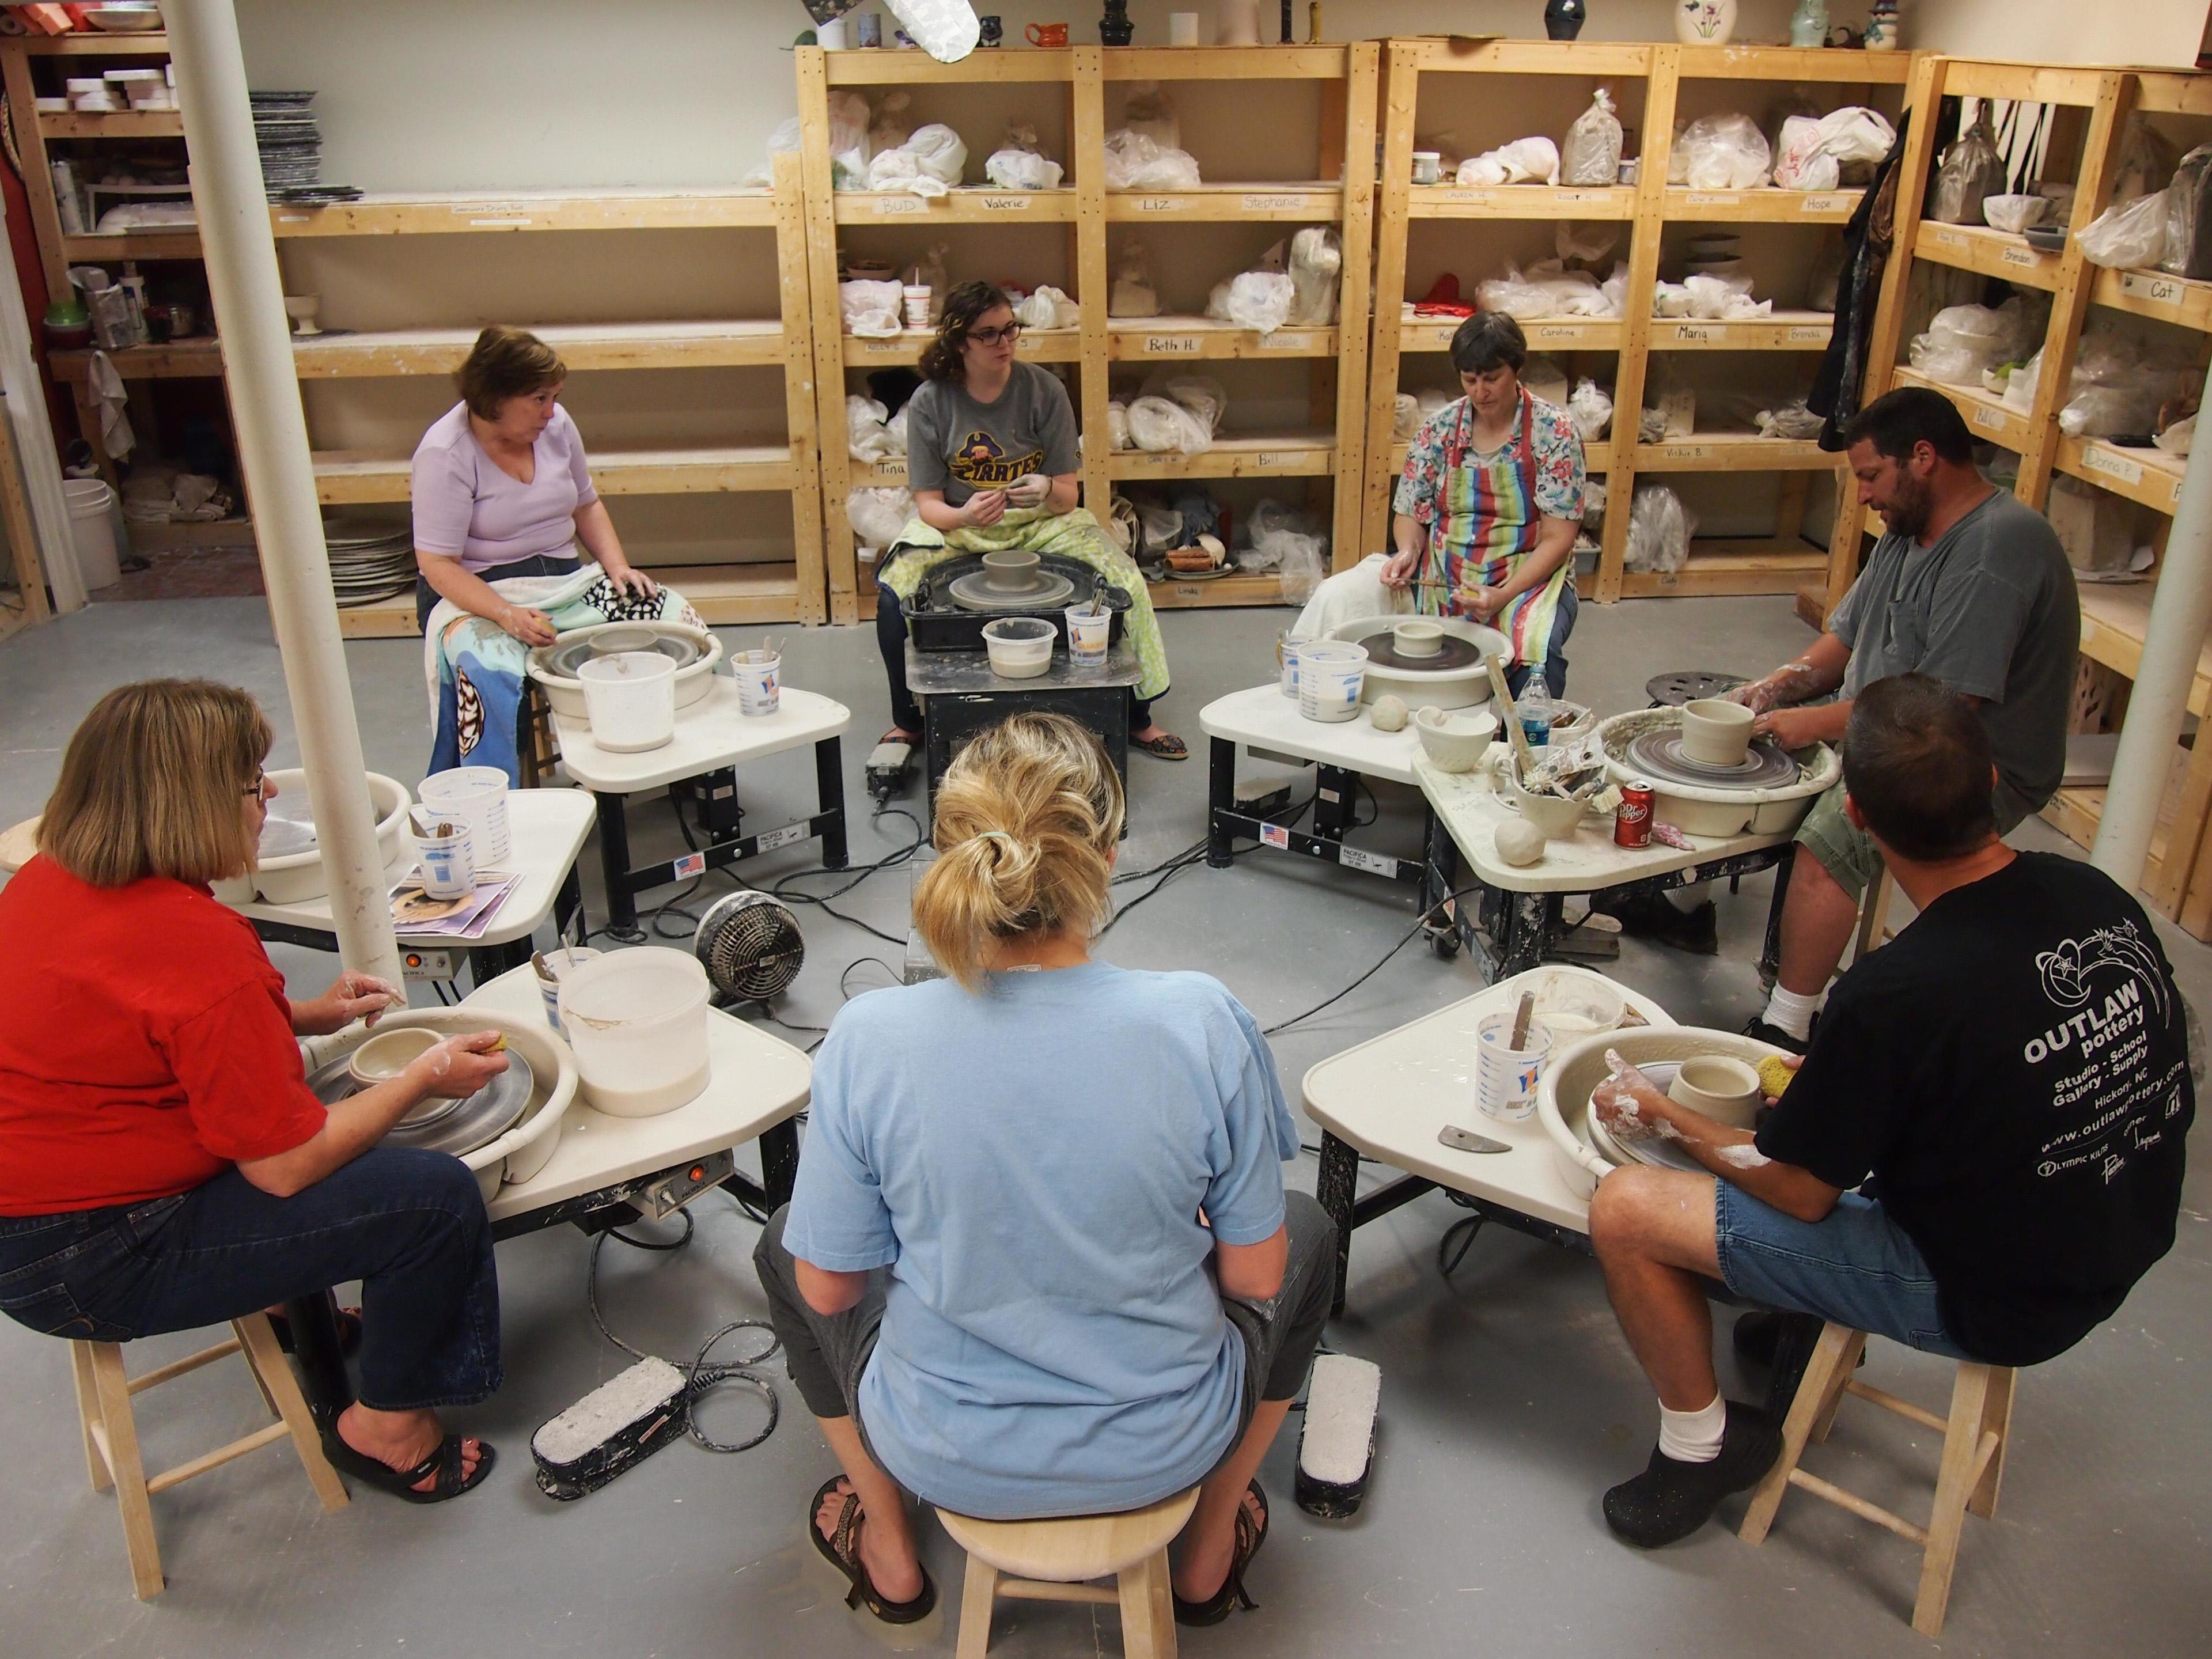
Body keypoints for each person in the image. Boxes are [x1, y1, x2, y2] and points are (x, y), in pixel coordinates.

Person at [1586, 675, 2191, 1548]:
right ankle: (1790, 1317)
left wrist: (1664, 1115)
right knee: (1831, 1112)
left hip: (1996, 1295)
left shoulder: (1895, 993)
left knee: (1627, 1210)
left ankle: (1700, 1448)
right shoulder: (2092, 895)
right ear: (1990, 784)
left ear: (1858, 820)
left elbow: (1800, 1192)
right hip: (2119, 1231)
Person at [754, 713, 1332, 1626]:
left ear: (948, 855)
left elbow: (829, 1291)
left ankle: (891, 1549)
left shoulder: (871, 1038)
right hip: (1168, 1443)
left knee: (786, 1244)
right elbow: (1255, 1274)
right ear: (1106, 854)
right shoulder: (1201, 1020)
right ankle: (1211, 1542)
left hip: (943, 1449)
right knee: (1310, 1232)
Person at [0, 681, 512, 1502]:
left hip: (33, 1213)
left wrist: (297, 1013)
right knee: (434, 1201)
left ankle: (285, 1302)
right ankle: (385, 1430)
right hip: (91, 1259)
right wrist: (424, 1079)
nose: (268, 794)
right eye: (252, 782)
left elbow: (138, 1026)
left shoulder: (48, 880)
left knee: (293, 1115)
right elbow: (284, 1168)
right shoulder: (200, 944)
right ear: (189, 804)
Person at [1609, 385, 2078, 986]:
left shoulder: (1995, 549)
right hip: (1889, 720)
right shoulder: (1910, 528)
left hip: (1966, 758)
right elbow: (1844, 640)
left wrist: (1811, 726)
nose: (1864, 494)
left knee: (1831, 837)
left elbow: (1948, 706)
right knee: (1729, 761)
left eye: (1872, 476)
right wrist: (1775, 687)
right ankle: (1681, 911)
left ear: (1924, 458)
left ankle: (1790, 1022)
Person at [874, 282, 1185, 762]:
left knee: (1124, 580)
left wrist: (1045, 488)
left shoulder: (1044, 389)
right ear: (960, 342)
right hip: (961, 525)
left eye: (1010, 330)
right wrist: (964, 513)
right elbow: (928, 506)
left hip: (1041, 520)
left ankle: (1135, 715)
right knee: (894, 596)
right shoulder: (930, 402)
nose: (1005, 344)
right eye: (989, 335)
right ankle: (908, 720)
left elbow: (1067, 495)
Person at [1384, 310, 1588, 698]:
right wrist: (1408, 552)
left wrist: (1504, 595)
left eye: (1492, 378)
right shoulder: (1438, 430)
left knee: (1537, 664)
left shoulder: (1554, 432)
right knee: (1418, 660)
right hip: (1448, 577)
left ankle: (1523, 754)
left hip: (1529, 578)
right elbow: (1411, 509)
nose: (1481, 392)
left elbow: (1558, 538)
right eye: (1470, 380)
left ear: (1517, 369)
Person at [411, 324, 658, 639]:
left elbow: (586, 504)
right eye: (539, 398)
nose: (550, 412)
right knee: (500, 667)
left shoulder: (557, 425)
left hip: (562, 579)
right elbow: (438, 564)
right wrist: (506, 614)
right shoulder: (444, 453)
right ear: (495, 398)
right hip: (479, 591)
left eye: (555, 397)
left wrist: (619, 568)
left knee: (671, 621)